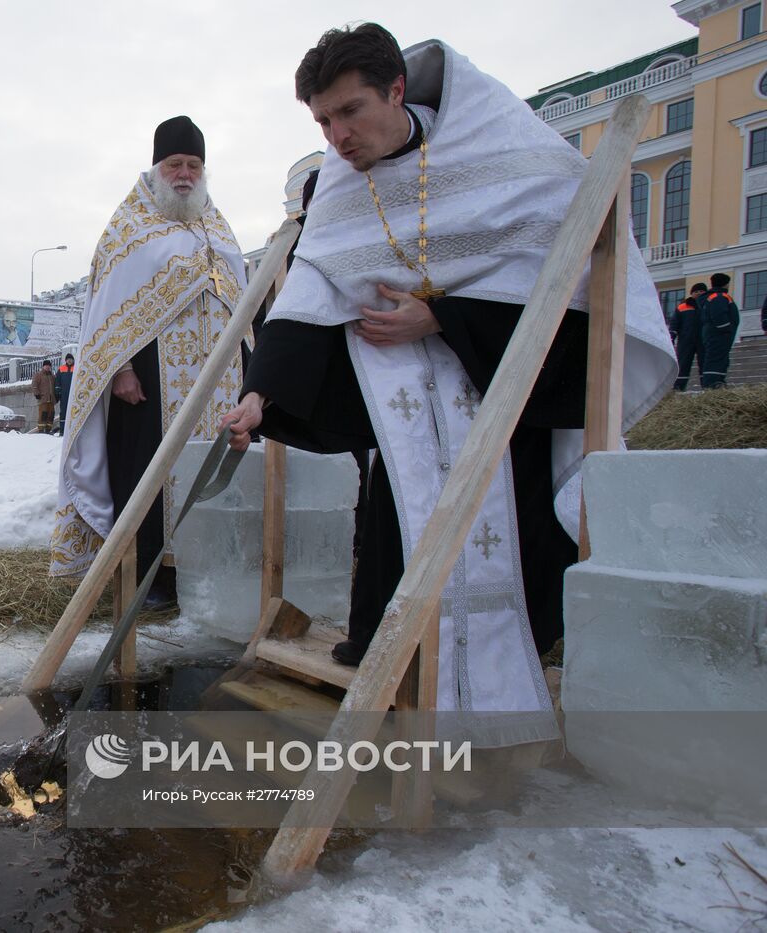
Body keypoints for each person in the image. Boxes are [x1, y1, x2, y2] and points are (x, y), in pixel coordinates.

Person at [220, 24, 674, 748]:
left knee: (508, 532)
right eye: (323, 121)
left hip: (499, 391)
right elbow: (308, 297)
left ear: (396, 91)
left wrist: (442, 317)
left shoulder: (506, 151)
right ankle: (398, 669)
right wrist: (261, 393)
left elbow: (564, 284)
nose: (337, 136)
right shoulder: (338, 184)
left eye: (351, 111)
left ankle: (507, 686)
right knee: (396, 529)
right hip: (402, 409)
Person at [50, 116, 248, 610]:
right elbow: (107, 313)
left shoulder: (217, 227)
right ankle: (149, 580)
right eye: (175, 164)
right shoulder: (128, 228)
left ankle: (205, 574)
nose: (185, 174)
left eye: (194, 165)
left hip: (219, 384)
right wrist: (119, 370)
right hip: (151, 383)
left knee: (215, 471)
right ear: (157, 167)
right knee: (148, 475)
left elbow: (242, 302)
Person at [700, 272, 740, 389]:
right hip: (718, 334)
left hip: (715, 333)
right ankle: (712, 383)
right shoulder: (719, 296)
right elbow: (718, 314)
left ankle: (718, 381)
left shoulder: (713, 296)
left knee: (720, 358)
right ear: (725, 284)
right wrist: (726, 328)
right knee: (715, 358)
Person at [670, 283, 708, 391]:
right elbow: (674, 323)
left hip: (704, 340)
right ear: (692, 293)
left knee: (704, 364)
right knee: (683, 364)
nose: (699, 293)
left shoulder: (708, 304)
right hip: (686, 340)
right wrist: (672, 335)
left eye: (701, 291)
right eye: (696, 292)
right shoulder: (683, 306)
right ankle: (678, 388)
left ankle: (706, 387)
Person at [31, 360, 57, 432]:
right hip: (43, 398)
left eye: (49, 366)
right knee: (43, 414)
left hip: (51, 399)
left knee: (51, 415)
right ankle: (41, 430)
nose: (48, 367)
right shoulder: (38, 375)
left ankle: (48, 429)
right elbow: (34, 385)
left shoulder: (52, 376)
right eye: (46, 365)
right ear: (43, 366)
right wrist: (37, 394)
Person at [54, 353, 75, 435]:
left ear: (73, 360)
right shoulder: (61, 369)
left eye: (71, 359)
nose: (69, 360)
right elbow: (57, 382)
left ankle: (72, 431)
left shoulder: (77, 368)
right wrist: (57, 393)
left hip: (73, 394)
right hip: (64, 394)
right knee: (63, 412)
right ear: (66, 360)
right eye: (68, 359)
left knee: (73, 411)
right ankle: (62, 431)